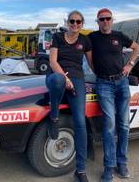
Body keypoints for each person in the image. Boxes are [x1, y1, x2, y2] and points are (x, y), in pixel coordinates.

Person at [89, 8, 139, 182]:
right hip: (103, 84)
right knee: (110, 125)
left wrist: (130, 65)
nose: (105, 21)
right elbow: (86, 56)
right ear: (97, 21)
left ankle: (122, 163)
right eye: (102, 19)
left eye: (108, 18)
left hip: (122, 83)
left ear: (112, 20)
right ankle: (109, 167)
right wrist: (95, 71)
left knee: (124, 126)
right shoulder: (92, 38)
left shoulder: (119, 36)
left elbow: (136, 48)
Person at [46, 10, 93, 182]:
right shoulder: (58, 37)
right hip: (56, 76)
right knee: (58, 80)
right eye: (72, 21)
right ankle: (54, 117)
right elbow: (52, 61)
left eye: (78, 22)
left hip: (77, 78)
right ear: (67, 22)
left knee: (80, 121)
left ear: (82, 24)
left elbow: (91, 63)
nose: (75, 24)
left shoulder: (85, 41)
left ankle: (80, 170)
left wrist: (108, 75)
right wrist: (65, 78)